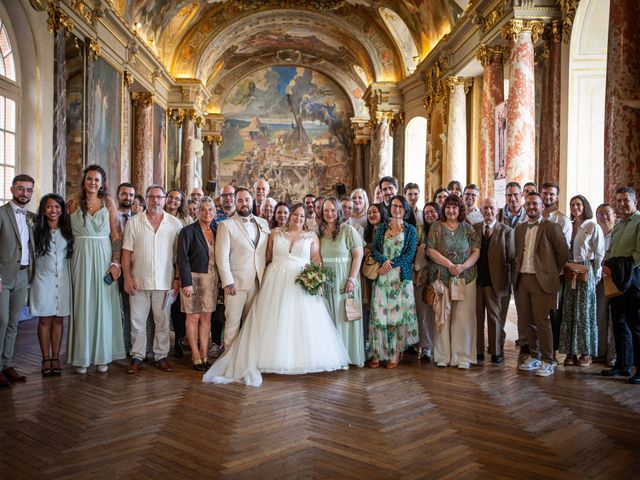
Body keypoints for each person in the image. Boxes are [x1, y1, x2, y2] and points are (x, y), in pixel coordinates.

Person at [203, 204, 349, 386]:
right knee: (273, 318)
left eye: (302, 216)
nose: (298, 218)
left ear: (306, 219)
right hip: (275, 279)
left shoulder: (311, 236)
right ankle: (266, 358)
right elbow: (268, 256)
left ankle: (299, 360)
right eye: (295, 214)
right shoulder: (275, 233)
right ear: (289, 216)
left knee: (300, 321)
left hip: (301, 281)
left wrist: (316, 277)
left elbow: (316, 259)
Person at [67, 165, 125, 374]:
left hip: (103, 257)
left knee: (103, 305)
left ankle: (103, 355)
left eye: (97, 180)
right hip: (80, 258)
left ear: (102, 183)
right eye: (90, 179)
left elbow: (116, 236)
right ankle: (82, 356)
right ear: (84, 181)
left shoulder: (108, 203)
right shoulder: (72, 203)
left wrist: (115, 262)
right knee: (83, 304)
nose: (93, 183)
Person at [122, 185, 182, 374]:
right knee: (137, 321)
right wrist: (127, 277)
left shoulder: (175, 224)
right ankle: (137, 356)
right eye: (152, 197)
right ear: (146, 199)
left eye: (159, 197)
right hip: (138, 281)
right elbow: (126, 253)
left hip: (165, 282)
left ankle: (161, 355)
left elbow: (179, 256)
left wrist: (177, 279)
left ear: (165, 200)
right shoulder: (134, 222)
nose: (156, 200)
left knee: (162, 321)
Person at [513, 192, 569, 377]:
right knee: (527, 322)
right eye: (528, 204)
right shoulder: (520, 228)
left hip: (542, 281)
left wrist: (549, 272)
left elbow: (563, 255)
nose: (531, 207)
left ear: (542, 207)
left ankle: (548, 360)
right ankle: (534, 356)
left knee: (542, 321)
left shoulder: (552, 227)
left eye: (535, 204)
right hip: (522, 278)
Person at [427, 194, 480, 369]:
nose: (451, 210)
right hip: (442, 277)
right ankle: (443, 356)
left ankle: (462, 356)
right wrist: (450, 265)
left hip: (466, 277)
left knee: (463, 317)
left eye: (455, 208)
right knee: (442, 315)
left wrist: (463, 266)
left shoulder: (467, 228)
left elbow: (476, 251)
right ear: (444, 209)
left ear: (460, 210)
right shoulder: (436, 227)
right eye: (448, 207)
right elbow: (430, 250)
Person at [215, 187, 270, 348]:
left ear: (252, 201)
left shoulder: (263, 223)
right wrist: (227, 282)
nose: (244, 203)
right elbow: (221, 257)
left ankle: (246, 359)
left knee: (251, 324)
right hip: (236, 284)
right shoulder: (226, 225)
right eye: (240, 200)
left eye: (247, 200)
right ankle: (228, 361)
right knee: (232, 324)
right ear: (235, 202)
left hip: (258, 282)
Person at [368, 195, 419, 368]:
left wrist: (391, 264)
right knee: (379, 313)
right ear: (390, 208)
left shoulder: (411, 230)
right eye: (394, 205)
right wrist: (384, 260)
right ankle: (378, 352)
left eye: (400, 206)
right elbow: (374, 249)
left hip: (400, 278)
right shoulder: (382, 228)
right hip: (382, 277)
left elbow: (410, 254)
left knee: (396, 316)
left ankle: (394, 354)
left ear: (405, 210)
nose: (396, 209)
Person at [30, 194, 73, 377]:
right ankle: (45, 358)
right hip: (42, 279)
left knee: (58, 319)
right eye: (49, 207)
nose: (53, 210)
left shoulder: (68, 230)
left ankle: (56, 357)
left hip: (63, 279)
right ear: (43, 210)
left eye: (57, 207)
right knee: (44, 319)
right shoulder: (36, 230)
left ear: (62, 209)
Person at [320, 197, 365, 367]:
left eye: (332, 210)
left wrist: (352, 279)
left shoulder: (348, 230)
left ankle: (348, 357)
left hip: (345, 279)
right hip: (327, 280)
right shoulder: (320, 232)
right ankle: (333, 358)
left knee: (345, 318)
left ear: (338, 211)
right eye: (326, 211)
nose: (329, 214)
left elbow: (358, 255)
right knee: (331, 319)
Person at [560, 195, 604, 367]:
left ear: (585, 206)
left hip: (586, 270)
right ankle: (571, 351)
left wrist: (596, 274)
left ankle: (585, 352)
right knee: (570, 310)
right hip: (570, 270)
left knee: (584, 312)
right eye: (572, 204)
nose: (575, 207)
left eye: (578, 204)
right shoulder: (569, 226)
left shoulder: (592, 226)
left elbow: (599, 253)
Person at [602, 187, 640, 384]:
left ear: (635, 201)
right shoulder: (618, 226)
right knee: (618, 322)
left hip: (634, 279)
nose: (622, 204)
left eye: (626, 200)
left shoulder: (639, 222)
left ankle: (638, 369)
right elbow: (611, 251)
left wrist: (620, 267)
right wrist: (606, 264)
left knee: (636, 325)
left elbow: (639, 255)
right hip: (616, 280)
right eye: (619, 200)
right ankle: (623, 365)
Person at [0, 174, 35, 387]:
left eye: (29, 189)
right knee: (1, 321)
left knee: (14, 323)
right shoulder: (1, 214)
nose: (25, 193)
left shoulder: (32, 216)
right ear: (12, 189)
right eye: (21, 189)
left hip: (23, 275)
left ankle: (7, 363)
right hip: (3, 276)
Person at [177, 197, 218, 371]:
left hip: (212, 278)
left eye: (210, 209)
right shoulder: (188, 231)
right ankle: (195, 354)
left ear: (214, 212)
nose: (206, 212)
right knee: (193, 317)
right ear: (197, 211)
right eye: (203, 209)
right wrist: (186, 282)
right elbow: (182, 259)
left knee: (206, 317)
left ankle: (204, 353)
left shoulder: (218, 229)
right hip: (194, 279)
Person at [474, 198, 515, 364]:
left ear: (497, 210)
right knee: (476, 318)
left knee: (495, 318)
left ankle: (496, 351)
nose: (488, 211)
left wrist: (509, 284)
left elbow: (511, 259)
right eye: (485, 208)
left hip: (496, 282)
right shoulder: (474, 229)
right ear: (481, 210)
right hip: (476, 281)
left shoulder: (507, 231)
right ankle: (477, 351)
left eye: (491, 208)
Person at [540, 182, 572, 359]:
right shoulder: (535, 217)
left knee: (554, 313)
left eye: (551, 194)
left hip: (554, 275)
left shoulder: (562, 220)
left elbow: (563, 251)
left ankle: (551, 352)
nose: (548, 197)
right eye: (545, 193)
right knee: (538, 312)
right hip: (535, 274)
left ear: (557, 197)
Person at [165, 188, 193, 357]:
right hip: (162, 264)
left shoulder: (186, 219)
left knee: (177, 306)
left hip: (179, 264)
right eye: (170, 197)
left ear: (182, 202)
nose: (173, 201)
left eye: (177, 199)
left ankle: (179, 340)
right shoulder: (157, 215)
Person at [414, 202, 441, 360]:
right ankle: (426, 347)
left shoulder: (444, 229)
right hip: (423, 277)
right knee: (423, 313)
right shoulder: (420, 232)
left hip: (441, 277)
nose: (430, 215)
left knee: (440, 313)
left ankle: (440, 346)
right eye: (426, 213)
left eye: (433, 212)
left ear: (439, 212)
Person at [362, 203, 389, 347]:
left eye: (374, 212)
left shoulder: (386, 229)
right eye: (369, 213)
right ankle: (372, 342)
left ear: (382, 213)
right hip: (371, 272)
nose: (371, 215)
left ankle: (383, 343)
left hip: (384, 271)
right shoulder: (368, 230)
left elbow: (383, 248)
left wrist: (368, 249)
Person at [115, 182, 135, 357]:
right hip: (111, 268)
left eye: (130, 195)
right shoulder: (108, 216)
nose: (127, 197)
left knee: (129, 310)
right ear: (117, 195)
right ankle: (112, 344)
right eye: (124, 194)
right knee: (112, 308)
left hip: (130, 270)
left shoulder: (137, 219)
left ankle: (127, 346)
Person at [595, 203, 617, 365]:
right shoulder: (596, 233)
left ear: (614, 215)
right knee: (600, 318)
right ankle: (600, 351)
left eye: (607, 213)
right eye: (600, 214)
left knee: (615, 320)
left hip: (616, 281)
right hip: (599, 282)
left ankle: (613, 356)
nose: (604, 216)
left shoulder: (619, 233)